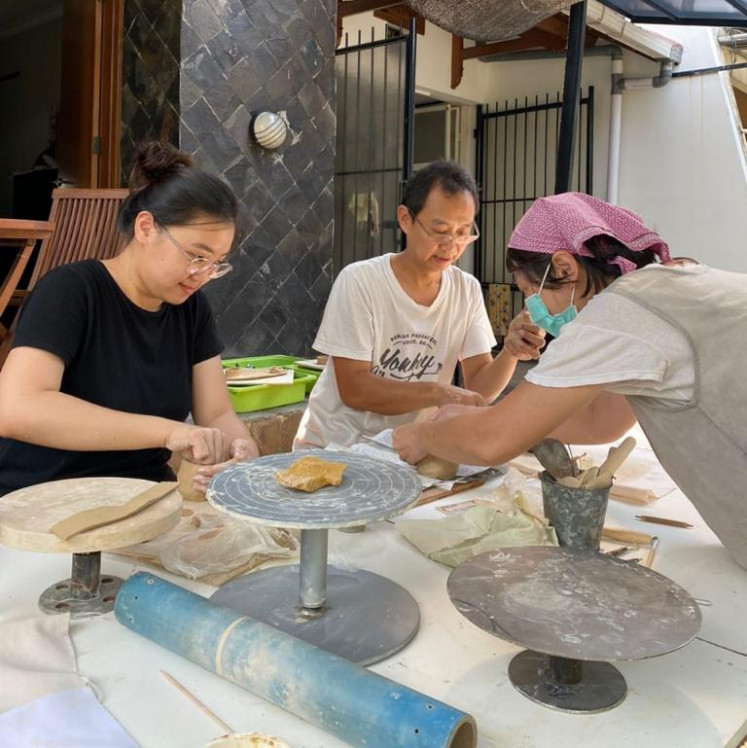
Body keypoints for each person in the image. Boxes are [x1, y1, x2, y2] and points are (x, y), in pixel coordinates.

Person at [392, 191, 747, 569]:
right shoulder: (675, 281)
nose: (532, 308)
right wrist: (512, 416)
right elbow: (603, 420)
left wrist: (424, 435)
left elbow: (491, 442)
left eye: (530, 291)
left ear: (563, 267)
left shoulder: (618, 312)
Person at [0, 142, 258, 496]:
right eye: (196, 256)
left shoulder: (191, 309)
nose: (202, 274)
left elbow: (215, 415)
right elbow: (16, 407)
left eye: (216, 264)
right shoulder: (72, 291)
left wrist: (240, 450)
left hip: (141, 501)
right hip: (43, 502)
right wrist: (167, 432)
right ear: (146, 227)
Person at [294, 161, 544, 450]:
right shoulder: (360, 281)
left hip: (407, 450)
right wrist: (437, 393)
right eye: (440, 230)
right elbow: (355, 389)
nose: (451, 245)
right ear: (405, 219)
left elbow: (477, 389)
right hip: (337, 448)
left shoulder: (467, 290)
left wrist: (510, 352)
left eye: (464, 232)